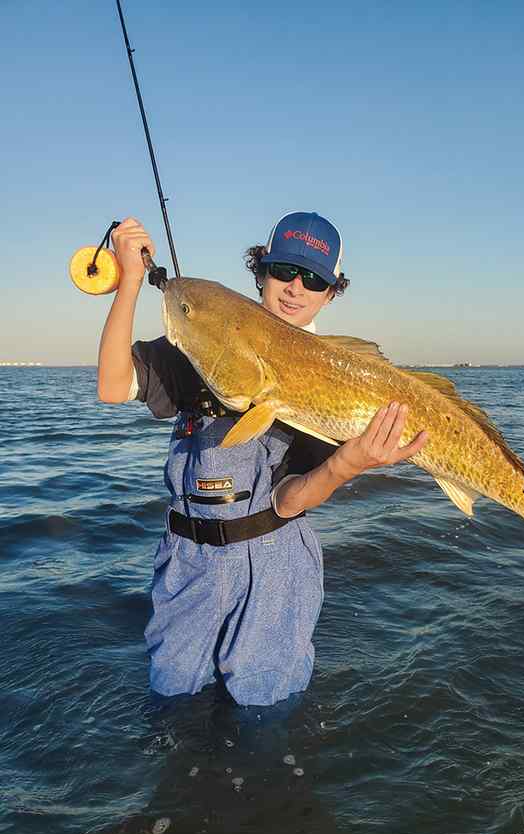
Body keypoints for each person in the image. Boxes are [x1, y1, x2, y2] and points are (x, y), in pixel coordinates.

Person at [97, 211, 428, 706]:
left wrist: (349, 463)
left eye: (314, 279)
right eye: (283, 271)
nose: (296, 288)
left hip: (275, 562)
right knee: (172, 704)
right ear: (261, 271)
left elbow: (291, 500)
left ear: (331, 292)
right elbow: (111, 386)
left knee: (264, 718)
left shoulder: (339, 379)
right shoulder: (204, 338)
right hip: (187, 561)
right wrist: (128, 285)